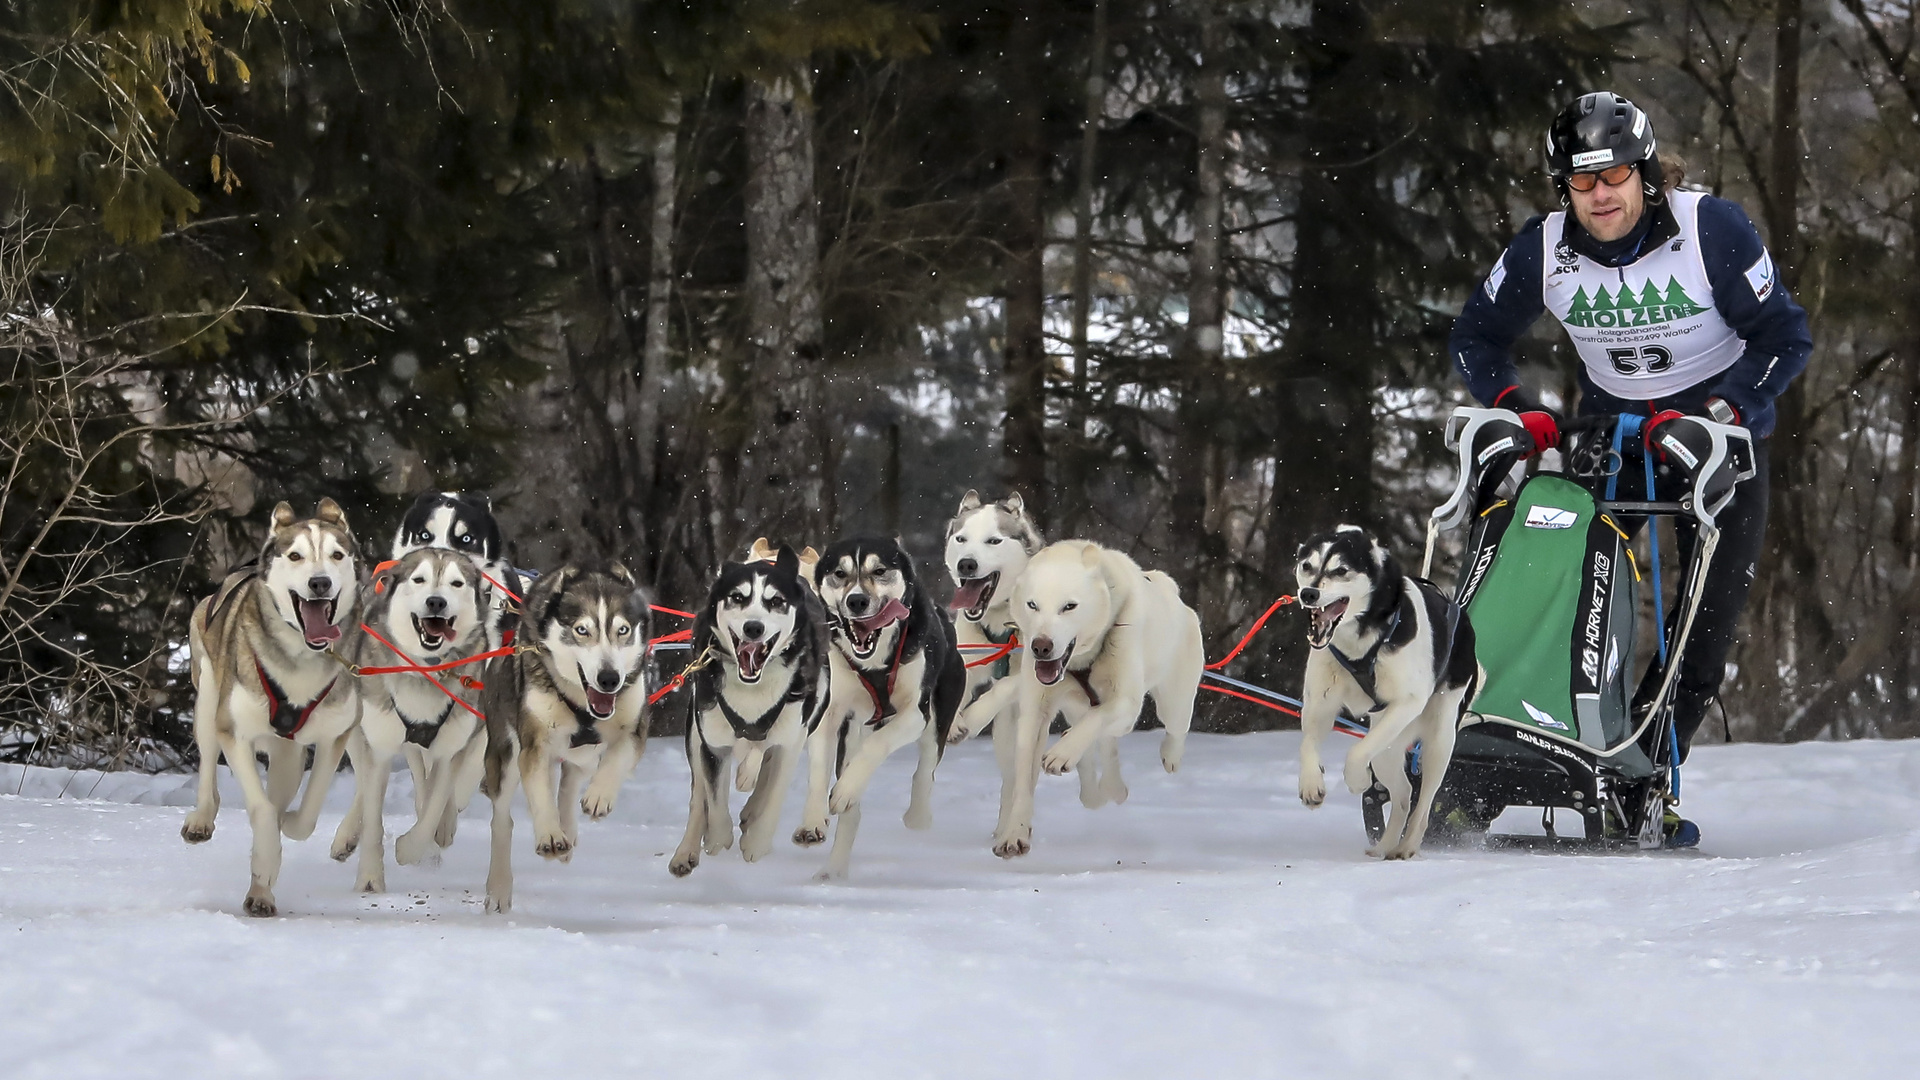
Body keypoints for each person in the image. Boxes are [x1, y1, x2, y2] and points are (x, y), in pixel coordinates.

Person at [1449, 91, 1812, 846]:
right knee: (1567, 610)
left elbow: (1785, 338)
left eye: (1614, 174)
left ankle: (1640, 780)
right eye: (1581, 182)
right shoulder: (1543, 248)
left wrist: (1721, 414)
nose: (1600, 194)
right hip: (1612, 439)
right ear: (1563, 189)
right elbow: (1474, 338)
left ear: (1645, 173)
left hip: (1716, 447)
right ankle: (1497, 774)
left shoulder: (1713, 228)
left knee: (1701, 638)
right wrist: (1518, 406)